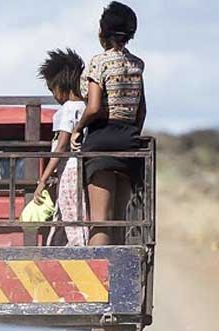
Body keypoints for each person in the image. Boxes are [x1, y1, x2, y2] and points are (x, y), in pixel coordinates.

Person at [71, 1, 147, 246]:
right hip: (129, 141)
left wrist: (77, 129)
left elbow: (93, 107)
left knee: (100, 221)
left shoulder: (99, 62)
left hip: (102, 139)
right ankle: (120, 281)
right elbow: (141, 110)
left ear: (102, 31)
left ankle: (98, 282)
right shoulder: (137, 65)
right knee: (119, 221)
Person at [32, 48, 89, 247]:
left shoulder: (68, 109)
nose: (54, 96)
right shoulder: (85, 107)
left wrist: (43, 179)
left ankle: (80, 255)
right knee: (67, 213)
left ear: (60, 84)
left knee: (72, 216)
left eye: (52, 89)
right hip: (78, 168)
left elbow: (62, 144)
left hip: (70, 170)